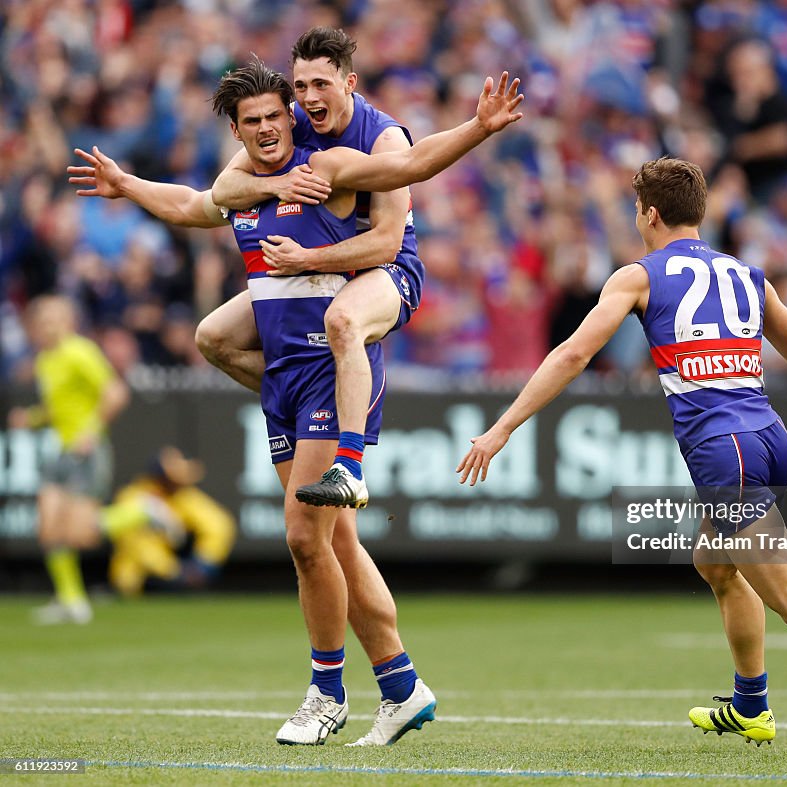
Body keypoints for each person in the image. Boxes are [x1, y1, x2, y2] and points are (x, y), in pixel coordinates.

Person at [68, 57, 523, 746]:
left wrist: (478, 127)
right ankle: (401, 686)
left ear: (294, 116)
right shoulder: (248, 181)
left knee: (304, 535)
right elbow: (196, 204)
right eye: (251, 123)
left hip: (327, 361)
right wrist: (128, 185)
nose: (267, 129)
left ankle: (327, 691)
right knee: (330, 535)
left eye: (276, 117)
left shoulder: (327, 166)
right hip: (284, 370)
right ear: (237, 129)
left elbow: (409, 167)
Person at [456, 157, 787, 746]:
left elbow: (573, 356)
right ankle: (752, 704)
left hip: (724, 451)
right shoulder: (749, 276)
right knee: (715, 562)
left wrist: (502, 428)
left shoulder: (638, 276)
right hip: (770, 439)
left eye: (636, 212)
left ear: (650, 215)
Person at [205, 27, 424, 510]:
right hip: (326, 273)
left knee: (343, 321)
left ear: (350, 83)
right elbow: (224, 190)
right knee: (212, 337)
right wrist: (280, 184)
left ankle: (349, 463)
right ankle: (307, 401)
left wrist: (307, 259)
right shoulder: (292, 122)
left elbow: (387, 242)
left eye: (320, 85)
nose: (307, 98)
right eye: (300, 87)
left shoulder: (382, 138)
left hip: (390, 270)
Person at [8, 295, 130, 625]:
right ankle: (72, 601)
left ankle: (143, 513)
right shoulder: (46, 360)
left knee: (80, 533)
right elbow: (58, 409)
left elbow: (115, 392)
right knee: (48, 528)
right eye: (42, 320)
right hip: (62, 450)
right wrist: (32, 418)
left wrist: (90, 432)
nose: (47, 326)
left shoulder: (79, 351)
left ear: (68, 321)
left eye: (54, 318)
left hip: (86, 451)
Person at [106, 446, 236, 596]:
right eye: (174, 478)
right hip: (140, 581)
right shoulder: (133, 498)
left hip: (177, 576)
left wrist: (203, 564)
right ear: (160, 478)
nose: (181, 482)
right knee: (128, 574)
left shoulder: (183, 496)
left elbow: (218, 525)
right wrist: (174, 571)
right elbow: (137, 547)